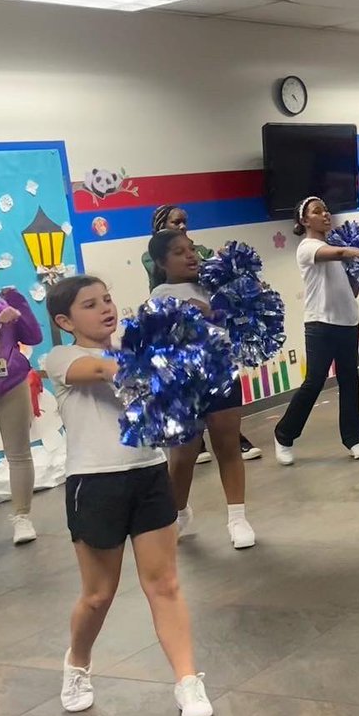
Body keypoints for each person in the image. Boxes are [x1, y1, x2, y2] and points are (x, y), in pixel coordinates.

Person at [45, 275, 213, 716]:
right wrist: (149, 364)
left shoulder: (138, 345)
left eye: (107, 299)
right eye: (89, 305)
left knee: (165, 585)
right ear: (65, 320)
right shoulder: (61, 357)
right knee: (99, 595)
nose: (104, 308)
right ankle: (77, 663)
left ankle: (187, 680)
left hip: (149, 474)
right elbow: (100, 371)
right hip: (94, 484)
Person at [148, 230, 255, 549]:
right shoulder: (160, 293)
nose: (190, 255)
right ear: (160, 261)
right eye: (179, 252)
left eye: (191, 249)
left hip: (221, 372)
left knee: (227, 445)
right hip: (184, 381)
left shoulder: (213, 285)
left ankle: (237, 518)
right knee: (184, 455)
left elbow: (240, 320)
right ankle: (178, 514)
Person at [142, 205, 261, 463]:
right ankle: (194, 454)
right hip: (184, 358)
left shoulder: (201, 257)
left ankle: (232, 442)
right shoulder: (152, 259)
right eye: (176, 222)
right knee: (184, 451)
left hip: (217, 360)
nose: (183, 226)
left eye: (185, 222)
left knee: (225, 427)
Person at [273, 197, 359, 466]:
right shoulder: (307, 247)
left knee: (350, 380)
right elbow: (341, 254)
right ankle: (284, 434)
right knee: (314, 380)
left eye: (327, 210)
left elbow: (351, 290)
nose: (326, 214)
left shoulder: (335, 249)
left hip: (348, 322)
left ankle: (354, 438)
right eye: (317, 211)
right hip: (320, 323)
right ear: (305, 221)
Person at [0, 250, 43, 545]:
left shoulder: (1, 300)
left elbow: (33, 338)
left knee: (19, 453)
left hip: (12, 383)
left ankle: (22, 517)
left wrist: (19, 303)